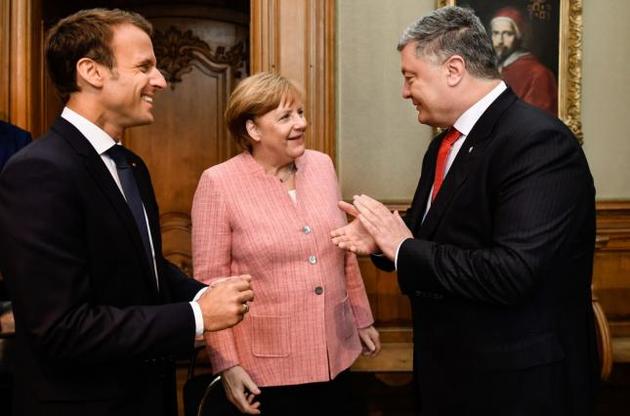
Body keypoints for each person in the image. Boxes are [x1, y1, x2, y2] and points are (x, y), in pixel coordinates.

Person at [331, 6, 598, 415]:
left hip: (516, 386)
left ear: (454, 70)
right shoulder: (444, 144)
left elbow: (512, 273)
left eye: (410, 77)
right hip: (452, 373)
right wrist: (383, 240)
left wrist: (402, 248)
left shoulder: (538, 142)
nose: (404, 92)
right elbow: (435, 232)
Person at [0, 9, 254, 416]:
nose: (161, 80)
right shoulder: (38, 171)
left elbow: (143, 266)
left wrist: (202, 293)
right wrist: (195, 316)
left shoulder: (131, 165)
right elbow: (61, 329)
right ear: (92, 72)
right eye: (144, 67)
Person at [192, 71, 380, 415]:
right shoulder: (219, 183)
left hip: (334, 352)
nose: (301, 123)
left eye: (301, 112)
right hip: (265, 367)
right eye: (286, 117)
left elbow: (344, 248)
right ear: (253, 129)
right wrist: (227, 364)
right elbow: (211, 284)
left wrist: (362, 318)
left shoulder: (322, 166)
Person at [490, 6, 558, 116]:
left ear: (519, 36)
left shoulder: (538, 74)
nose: (500, 41)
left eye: (507, 34)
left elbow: (537, 120)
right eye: (496, 33)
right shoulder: (493, 69)